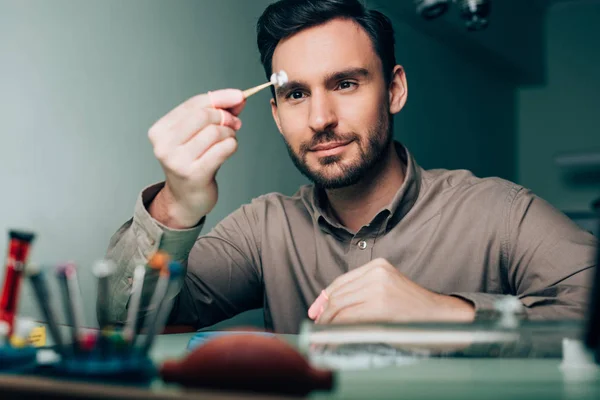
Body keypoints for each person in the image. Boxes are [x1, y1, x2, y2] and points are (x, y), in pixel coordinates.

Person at [102, 0, 597, 334]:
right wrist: (178, 202)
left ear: (395, 90)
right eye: (296, 94)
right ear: (275, 114)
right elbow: (124, 325)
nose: (320, 119)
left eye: (345, 84)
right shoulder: (263, 229)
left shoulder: (499, 213)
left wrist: (450, 312)